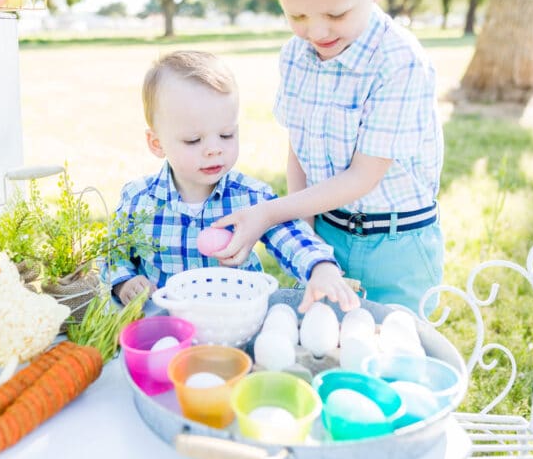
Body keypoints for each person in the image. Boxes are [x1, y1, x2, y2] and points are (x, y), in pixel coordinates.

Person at [212, 0, 444, 314]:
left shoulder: (399, 62)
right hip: (328, 232)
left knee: (392, 351)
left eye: (337, 13)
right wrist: (309, 240)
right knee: (322, 346)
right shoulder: (297, 56)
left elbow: (362, 177)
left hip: (397, 247)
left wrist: (269, 213)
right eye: (297, 14)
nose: (317, 32)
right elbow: (298, 152)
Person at [107, 49, 357, 311]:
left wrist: (321, 267)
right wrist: (124, 282)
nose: (214, 149)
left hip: (237, 322)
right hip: (169, 327)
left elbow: (291, 235)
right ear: (157, 144)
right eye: (194, 140)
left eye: (226, 135)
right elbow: (114, 253)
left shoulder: (250, 196)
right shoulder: (138, 199)